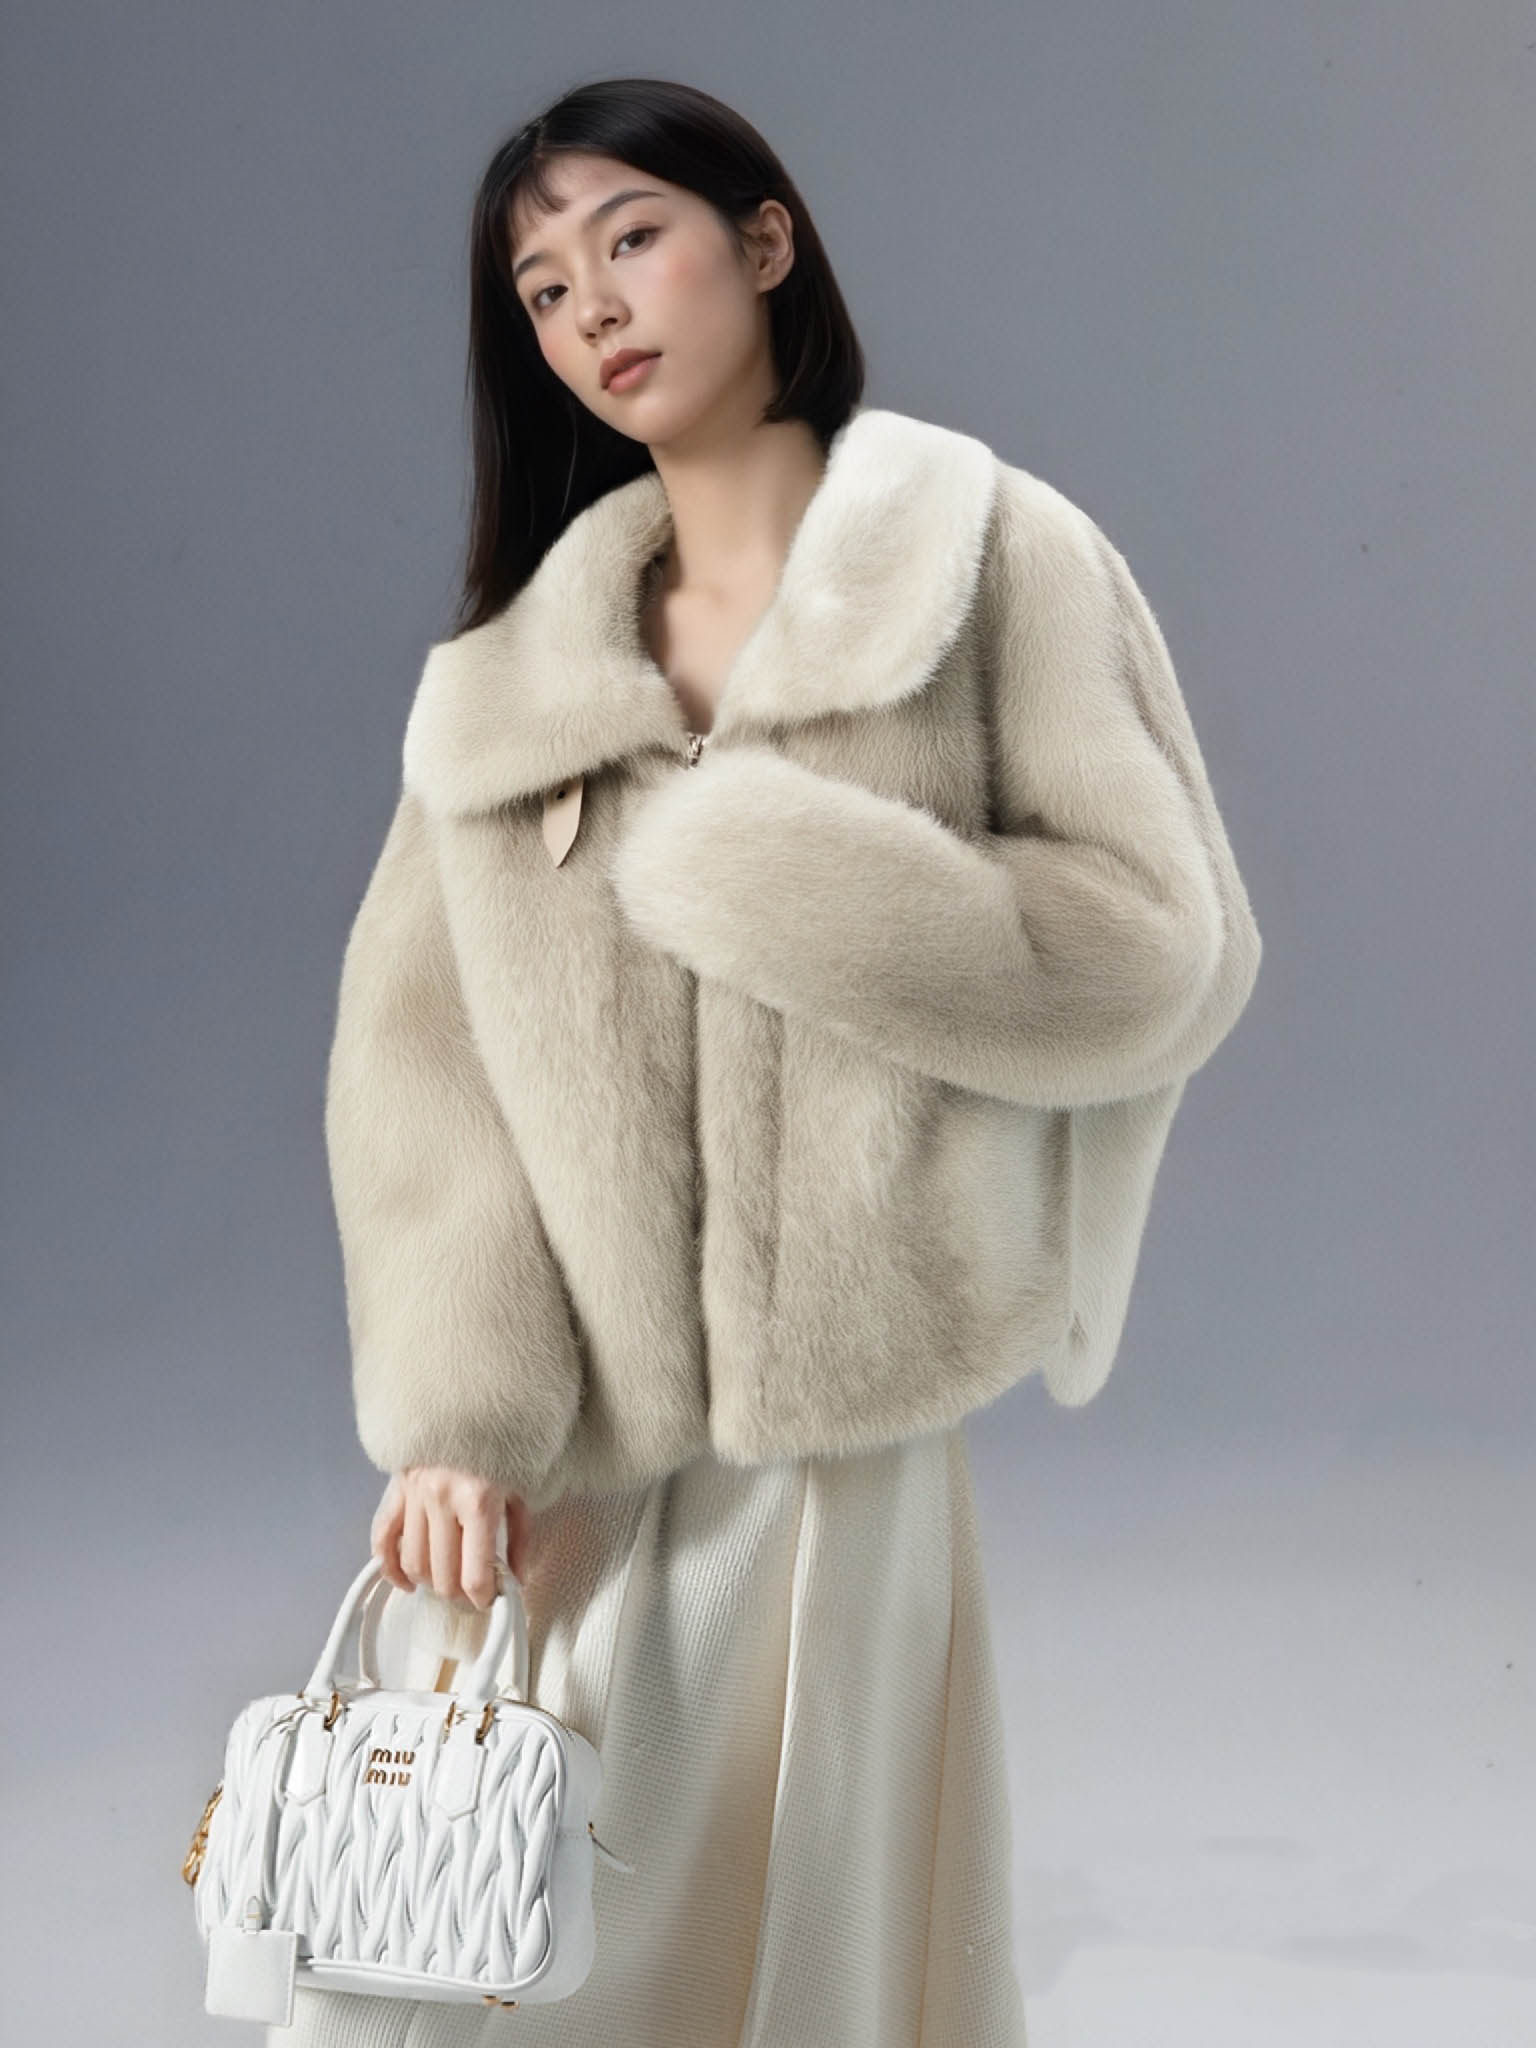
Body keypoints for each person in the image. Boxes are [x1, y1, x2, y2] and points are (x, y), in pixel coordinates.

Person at [291, 74, 1261, 2048]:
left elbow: (1160, 945)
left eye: (629, 237)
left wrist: (770, 874)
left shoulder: (989, 556)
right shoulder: (513, 687)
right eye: (543, 290)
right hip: (570, 1448)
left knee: (802, 1940)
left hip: (844, 1441)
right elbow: (424, 1075)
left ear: (763, 239)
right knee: (495, 1939)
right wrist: (459, 1412)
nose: (591, 308)